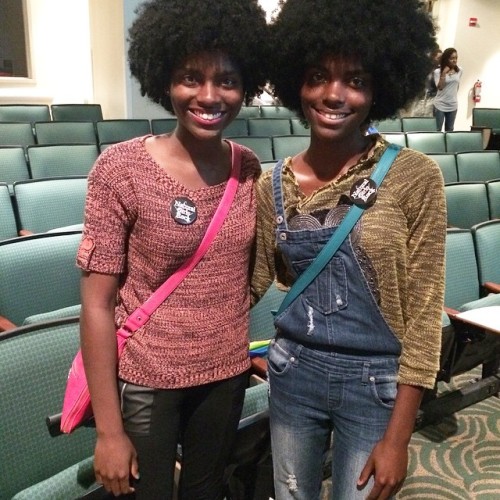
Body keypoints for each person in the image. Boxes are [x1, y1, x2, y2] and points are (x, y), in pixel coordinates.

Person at [251, 1, 447, 499]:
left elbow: (425, 317)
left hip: (376, 384)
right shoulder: (270, 184)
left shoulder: (414, 176)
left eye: (354, 80)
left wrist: (399, 436)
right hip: (293, 372)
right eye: (318, 76)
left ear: (379, 87)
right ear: (297, 82)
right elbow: (248, 283)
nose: (333, 94)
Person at [77, 1, 269, 498]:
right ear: (165, 79)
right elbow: (97, 304)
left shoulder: (247, 169)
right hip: (148, 379)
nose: (209, 95)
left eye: (226, 80)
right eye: (191, 77)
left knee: (207, 491)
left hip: (225, 373)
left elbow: (254, 270)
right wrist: (109, 431)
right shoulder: (120, 168)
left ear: (245, 86)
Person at [433, 47, 463, 131]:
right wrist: (443, 73)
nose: (454, 60)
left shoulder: (460, 70)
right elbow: (440, 87)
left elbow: (457, 86)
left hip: (452, 105)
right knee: (437, 130)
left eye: (456, 58)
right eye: (452, 58)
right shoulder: (437, 72)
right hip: (440, 104)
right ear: (446, 59)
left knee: (450, 130)